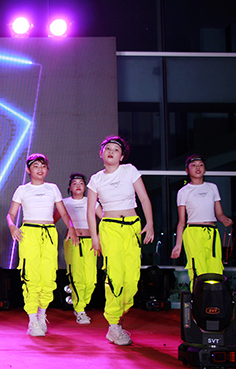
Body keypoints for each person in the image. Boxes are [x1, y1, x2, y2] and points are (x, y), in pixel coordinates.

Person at [87, 135, 154, 346]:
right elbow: (90, 211)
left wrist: (150, 223)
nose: (111, 151)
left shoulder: (130, 171)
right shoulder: (96, 179)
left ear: (121, 156)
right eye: (107, 148)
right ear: (101, 154)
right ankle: (114, 325)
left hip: (132, 227)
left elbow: (144, 198)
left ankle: (119, 312)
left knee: (132, 280)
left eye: (116, 149)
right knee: (115, 276)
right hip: (110, 229)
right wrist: (95, 237)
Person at [6, 153, 76, 337]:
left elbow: (63, 212)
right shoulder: (22, 189)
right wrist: (12, 226)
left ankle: (42, 315)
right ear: (28, 170)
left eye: (43, 166)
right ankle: (32, 320)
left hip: (49, 233)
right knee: (30, 276)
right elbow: (11, 214)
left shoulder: (52, 188)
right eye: (36, 166)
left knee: (48, 275)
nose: (40, 169)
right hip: (29, 233)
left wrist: (71, 227)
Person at [171, 154, 233, 291]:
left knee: (216, 268)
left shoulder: (212, 187)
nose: (197, 168)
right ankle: (199, 301)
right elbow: (181, 221)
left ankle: (215, 300)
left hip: (212, 232)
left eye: (201, 165)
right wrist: (178, 245)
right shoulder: (184, 191)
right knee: (197, 268)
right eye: (193, 165)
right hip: (193, 232)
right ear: (187, 170)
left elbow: (219, 213)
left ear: (204, 169)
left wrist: (224, 219)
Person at [60, 173, 102, 325]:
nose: (78, 186)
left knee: (91, 279)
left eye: (81, 183)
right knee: (77, 277)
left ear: (85, 187)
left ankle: (81, 303)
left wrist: (97, 236)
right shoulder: (64, 203)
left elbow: (105, 219)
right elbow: (51, 220)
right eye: (75, 183)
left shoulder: (92, 202)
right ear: (70, 187)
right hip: (73, 242)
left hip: (91, 242)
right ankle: (80, 309)